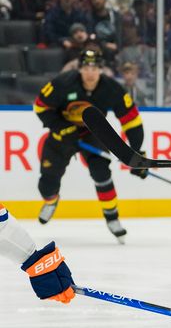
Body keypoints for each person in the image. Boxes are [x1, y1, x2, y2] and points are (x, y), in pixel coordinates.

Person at [33, 49, 146, 243]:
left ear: (101, 69)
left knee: (102, 175)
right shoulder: (63, 83)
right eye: (86, 67)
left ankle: (112, 218)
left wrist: (135, 153)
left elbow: (132, 121)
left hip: (92, 134)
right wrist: (60, 126)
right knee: (47, 182)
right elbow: (40, 107)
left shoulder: (112, 89)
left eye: (95, 68)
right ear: (80, 69)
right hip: (62, 135)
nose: (90, 72)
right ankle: (51, 200)